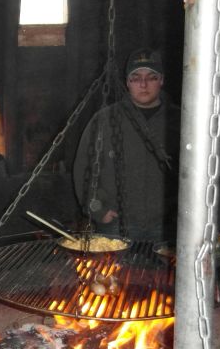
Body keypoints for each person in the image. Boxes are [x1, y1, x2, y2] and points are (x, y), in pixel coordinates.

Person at [72, 48, 181, 243]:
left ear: (161, 80)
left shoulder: (181, 121)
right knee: (112, 274)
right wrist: (98, 210)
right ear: (127, 83)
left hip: (168, 225)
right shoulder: (105, 120)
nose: (143, 84)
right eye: (136, 78)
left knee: (164, 275)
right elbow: (84, 169)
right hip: (117, 223)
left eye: (151, 77)